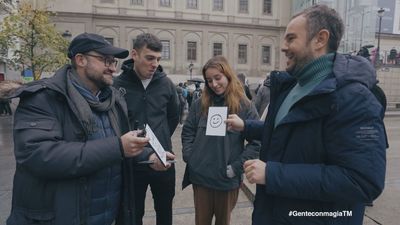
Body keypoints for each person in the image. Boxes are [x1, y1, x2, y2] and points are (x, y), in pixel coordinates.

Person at [226, 5, 386, 225]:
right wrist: (246, 126)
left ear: (320, 39)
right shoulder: (290, 87)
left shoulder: (354, 98)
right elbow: (287, 132)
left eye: (291, 39)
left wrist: (273, 175)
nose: (283, 47)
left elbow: (362, 181)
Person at [7, 32, 150, 225]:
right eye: (105, 60)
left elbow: (118, 146)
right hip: (60, 216)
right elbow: (40, 155)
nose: (112, 68)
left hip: (107, 215)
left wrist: (147, 155)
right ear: (81, 60)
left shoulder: (113, 99)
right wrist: (118, 147)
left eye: (114, 62)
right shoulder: (43, 98)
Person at [181, 55, 260, 225]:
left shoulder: (245, 106)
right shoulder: (200, 104)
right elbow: (188, 131)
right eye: (209, 80)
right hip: (201, 178)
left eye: (218, 78)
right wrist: (190, 156)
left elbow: (256, 142)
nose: (214, 84)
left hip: (226, 180)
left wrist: (236, 167)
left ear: (228, 76)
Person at [113, 33, 179, 225]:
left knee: (164, 211)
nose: (155, 64)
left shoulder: (166, 84)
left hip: (163, 158)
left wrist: (161, 137)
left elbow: (174, 116)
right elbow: (115, 121)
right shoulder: (118, 85)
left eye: (158, 59)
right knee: (133, 213)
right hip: (132, 161)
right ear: (134, 54)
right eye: (149, 58)